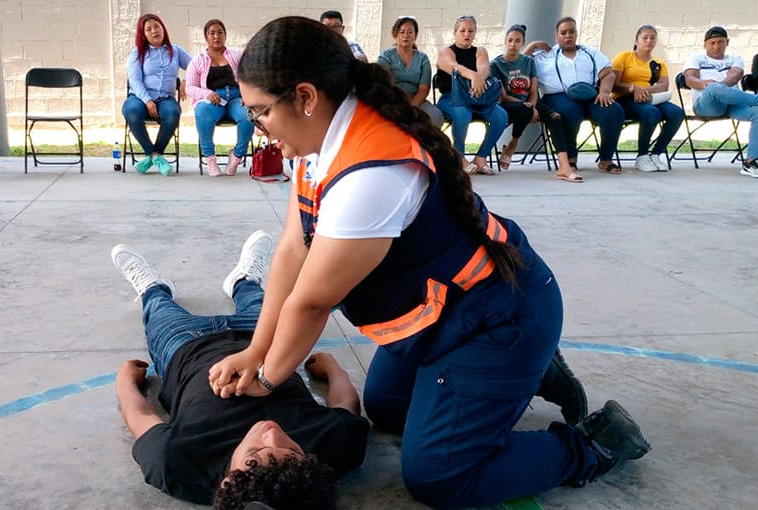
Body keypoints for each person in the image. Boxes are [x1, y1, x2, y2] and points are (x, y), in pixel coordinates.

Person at [207, 17, 650, 509]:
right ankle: (530, 373)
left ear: (306, 97)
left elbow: (310, 302)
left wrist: (268, 380)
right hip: (453, 315)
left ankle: (590, 446)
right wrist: (255, 351)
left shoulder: (370, 174)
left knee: (439, 476)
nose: (258, 127)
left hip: (500, 318)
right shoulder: (318, 143)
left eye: (260, 112)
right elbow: (293, 249)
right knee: (387, 408)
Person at [111, 231, 369, 508]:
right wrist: (333, 371)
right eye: (293, 449)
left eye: (255, 453)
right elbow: (345, 406)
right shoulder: (324, 459)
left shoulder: (178, 462)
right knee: (263, 301)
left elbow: (142, 417)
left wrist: (125, 384)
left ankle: (152, 287)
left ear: (228, 481)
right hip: (262, 339)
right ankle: (244, 279)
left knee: (160, 311)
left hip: (185, 348)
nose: (272, 433)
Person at [524, 17, 625, 175]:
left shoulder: (589, 52)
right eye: (563, 33)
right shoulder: (546, 55)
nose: (568, 36)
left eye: (571, 32)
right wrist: (533, 45)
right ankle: (570, 158)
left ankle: (606, 159)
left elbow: (608, 74)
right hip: (557, 96)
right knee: (570, 112)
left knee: (614, 111)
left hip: (590, 95)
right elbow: (521, 64)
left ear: (576, 33)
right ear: (556, 36)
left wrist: (604, 91)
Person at [435, 14, 509, 175]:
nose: (467, 34)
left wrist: (478, 80)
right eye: (462, 31)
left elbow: (484, 69)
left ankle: (481, 157)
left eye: (471, 31)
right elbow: (454, 66)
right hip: (451, 98)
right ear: (455, 33)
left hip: (478, 97)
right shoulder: (446, 52)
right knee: (463, 113)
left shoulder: (480, 51)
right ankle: (459, 156)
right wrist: (474, 77)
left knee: (501, 115)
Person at [683, 26, 758, 177]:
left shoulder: (734, 59)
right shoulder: (697, 58)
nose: (716, 46)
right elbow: (690, 79)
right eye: (712, 43)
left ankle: (751, 162)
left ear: (727, 42)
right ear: (705, 44)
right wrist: (707, 86)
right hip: (706, 105)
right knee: (712, 88)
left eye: (720, 42)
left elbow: (735, 76)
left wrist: (720, 88)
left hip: (732, 104)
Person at [123, 14, 191, 176]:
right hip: (140, 98)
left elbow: (196, 65)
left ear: (163, 28)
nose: (154, 31)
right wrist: (147, 101)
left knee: (173, 113)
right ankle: (154, 155)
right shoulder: (137, 53)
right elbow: (134, 80)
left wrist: (186, 80)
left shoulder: (175, 50)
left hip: (165, 99)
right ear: (143, 34)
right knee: (131, 111)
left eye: (157, 26)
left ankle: (153, 156)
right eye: (149, 29)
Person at [611, 25, 685, 173]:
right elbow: (614, 84)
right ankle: (642, 156)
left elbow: (664, 85)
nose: (648, 41)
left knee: (677, 113)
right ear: (636, 40)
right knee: (651, 113)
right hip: (626, 99)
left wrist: (644, 90)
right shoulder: (624, 57)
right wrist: (633, 89)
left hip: (651, 98)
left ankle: (656, 153)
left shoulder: (658, 63)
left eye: (652, 37)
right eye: (644, 37)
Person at [185, 19, 252, 177]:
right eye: (212, 33)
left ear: (225, 35)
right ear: (206, 37)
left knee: (248, 114)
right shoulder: (198, 61)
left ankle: (236, 156)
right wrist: (206, 94)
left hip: (236, 98)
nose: (216, 36)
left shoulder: (237, 56)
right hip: (213, 99)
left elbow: (250, 77)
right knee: (202, 111)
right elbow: (190, 87)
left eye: (220, 32)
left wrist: (248, 96)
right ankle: (210, 158)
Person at [376, 16, 444, 127]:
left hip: (416, 100)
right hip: (392, 100)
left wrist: (412, 106)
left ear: (415, 35)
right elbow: (385, 85)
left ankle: (422, 144)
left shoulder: (423, 58)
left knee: (436, 116)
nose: (405, 35)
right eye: (402, 32)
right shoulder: (385, 57)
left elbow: (424, 89)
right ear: (395, 35)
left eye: (410, 32)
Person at [491, 24, 539, 171]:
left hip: (527, 104)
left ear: (523, 43)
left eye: (517, 41)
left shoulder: (529, 62)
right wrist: (528, 107)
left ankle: (512, 143)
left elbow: (534, 90)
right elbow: (503, 97)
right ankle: (512, 146)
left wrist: (533, 106)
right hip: (507, 104)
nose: (513, 44)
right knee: (523, 110)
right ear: (505, 41)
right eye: (510, 40)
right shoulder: (496, 65)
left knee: (552, 114)